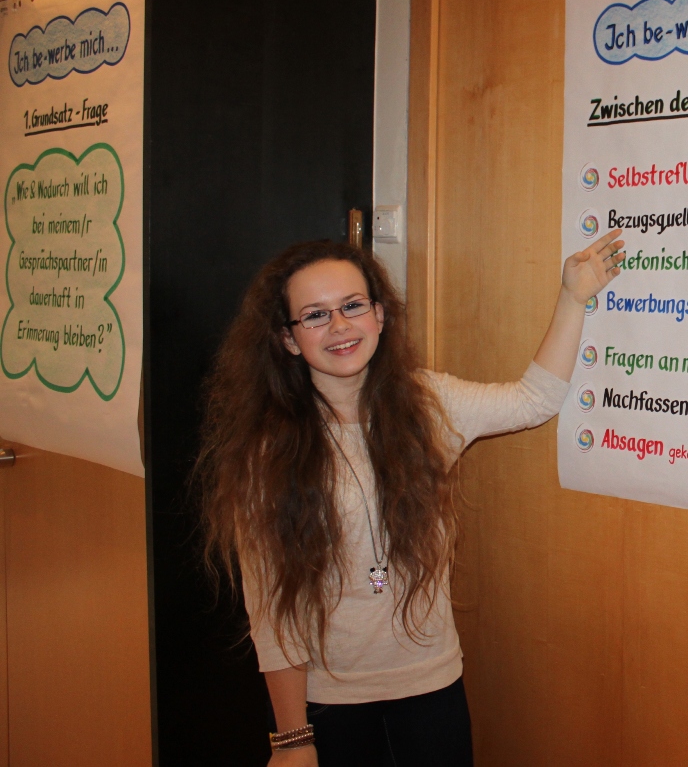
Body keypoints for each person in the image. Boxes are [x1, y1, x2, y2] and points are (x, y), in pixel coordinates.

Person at [196, 230, 624, 766]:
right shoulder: (267, 453)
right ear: (288, 339)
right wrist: (292, 740)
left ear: (379, 315)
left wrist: (573, 297)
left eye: (353, 306)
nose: (339, 326)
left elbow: (533, 400)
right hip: (328, 706)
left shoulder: (428, 404)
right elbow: (272, 612)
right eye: (315, 315)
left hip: (432, 691)